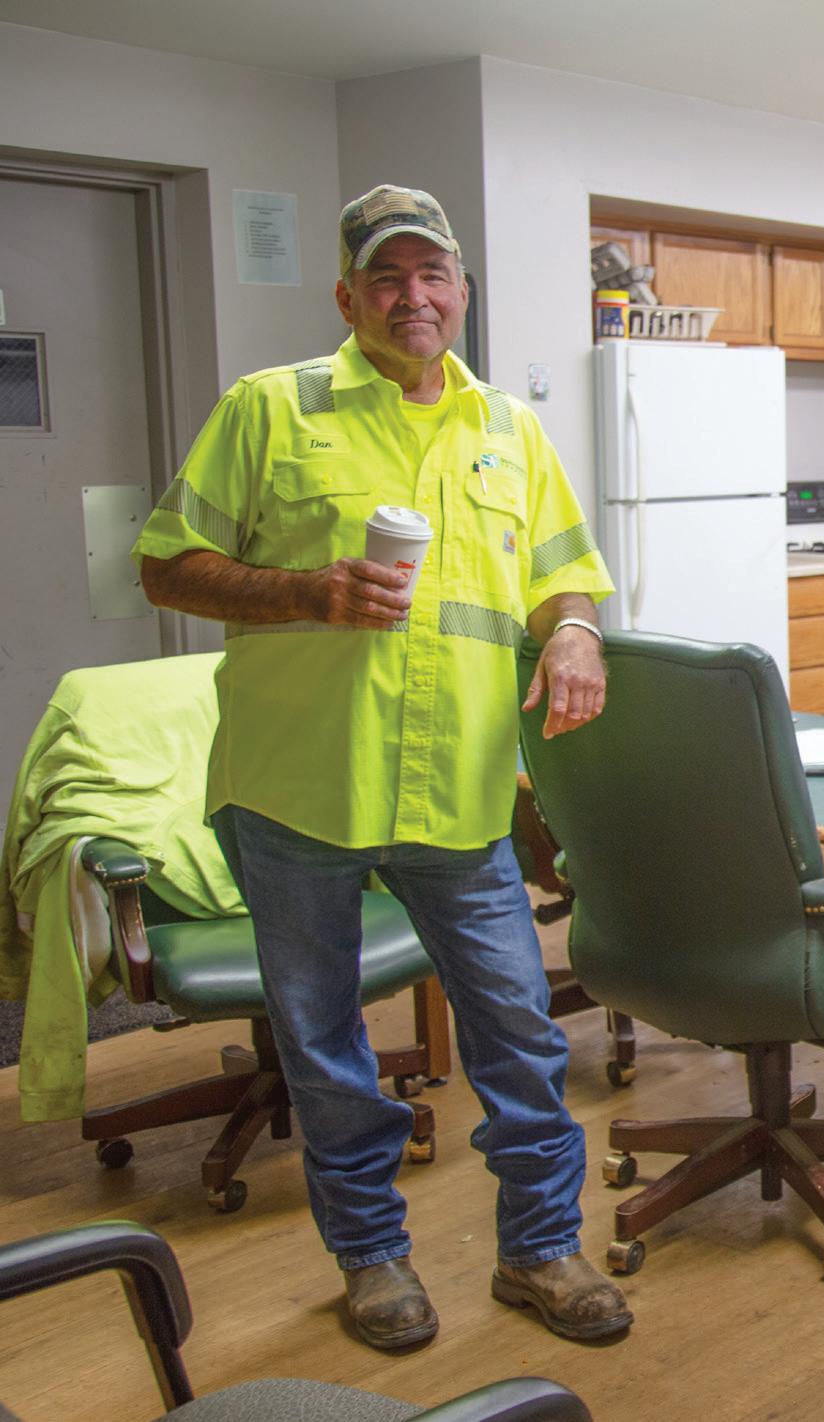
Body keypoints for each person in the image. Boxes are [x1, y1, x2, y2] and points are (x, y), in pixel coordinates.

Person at [132, 185, 631, 1350]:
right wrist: (307, 592)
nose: (415, 296)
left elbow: (564, 576)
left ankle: (540, 1249)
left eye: (432, 274)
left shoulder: (509, 430)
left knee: (521, 1034)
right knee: (325, 1049)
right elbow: (166, 564)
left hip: (459, 794)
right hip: (297, 789)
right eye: (387, 277)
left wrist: (574, 632)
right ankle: (371, 1260)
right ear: (347, 297)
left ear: (461, 290)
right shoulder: (269, 409)